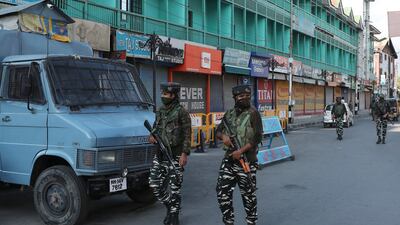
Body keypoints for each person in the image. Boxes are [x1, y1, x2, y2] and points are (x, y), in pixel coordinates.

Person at [215, 84, 263, 225]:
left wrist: (241, 151)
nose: (245, 98)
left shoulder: (254, 113)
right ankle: (228, 221)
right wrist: (223, 137)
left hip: (247, 160)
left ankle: (251, 221)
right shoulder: (229, 114)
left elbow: (257, 137)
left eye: (248, 96)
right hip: (229, 160)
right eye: (241, 96)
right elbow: (218, 131)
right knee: (222, 192)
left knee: (248, 196)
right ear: (235, 98)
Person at [148, 82, 191, 225]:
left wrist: (185, 154)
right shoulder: (160, 111)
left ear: (174, 95)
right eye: (163, 94)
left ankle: (174, 214)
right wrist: (152, 137)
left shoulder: (181, 112)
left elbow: (187, 134)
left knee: (175, 187)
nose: (163, 96)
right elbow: (155, 129)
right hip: (160, 153)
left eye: (166, 94)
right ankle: (170, 207)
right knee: (154, 184)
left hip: (176, 155)